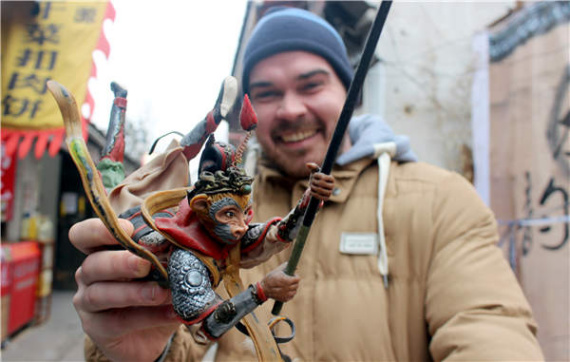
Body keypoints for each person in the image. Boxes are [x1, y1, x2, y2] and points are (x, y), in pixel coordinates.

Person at [72, 6, 544, 361]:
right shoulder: (209, 214)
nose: (291, 108)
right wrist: (136, 350)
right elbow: (190, 337)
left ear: (350, 95)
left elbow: (491, 331)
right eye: (269, 93)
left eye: (312, 84)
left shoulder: (442, 201)